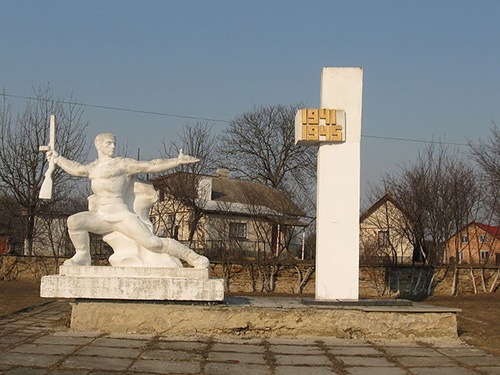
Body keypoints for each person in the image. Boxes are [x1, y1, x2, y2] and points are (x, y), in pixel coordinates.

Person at [47, 132, 209, 268]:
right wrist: (57, 158)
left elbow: (150, 166)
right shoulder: (93, 168)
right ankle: (82, 255)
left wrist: (177, 161)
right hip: (101, 216)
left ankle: (192, 257)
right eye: (109, 143)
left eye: (114, 144)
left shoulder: (122, 164)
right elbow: (76, 169)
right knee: (74, 222)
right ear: (98, 144)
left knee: (153, 244)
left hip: (121, 216)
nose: (113, 147)